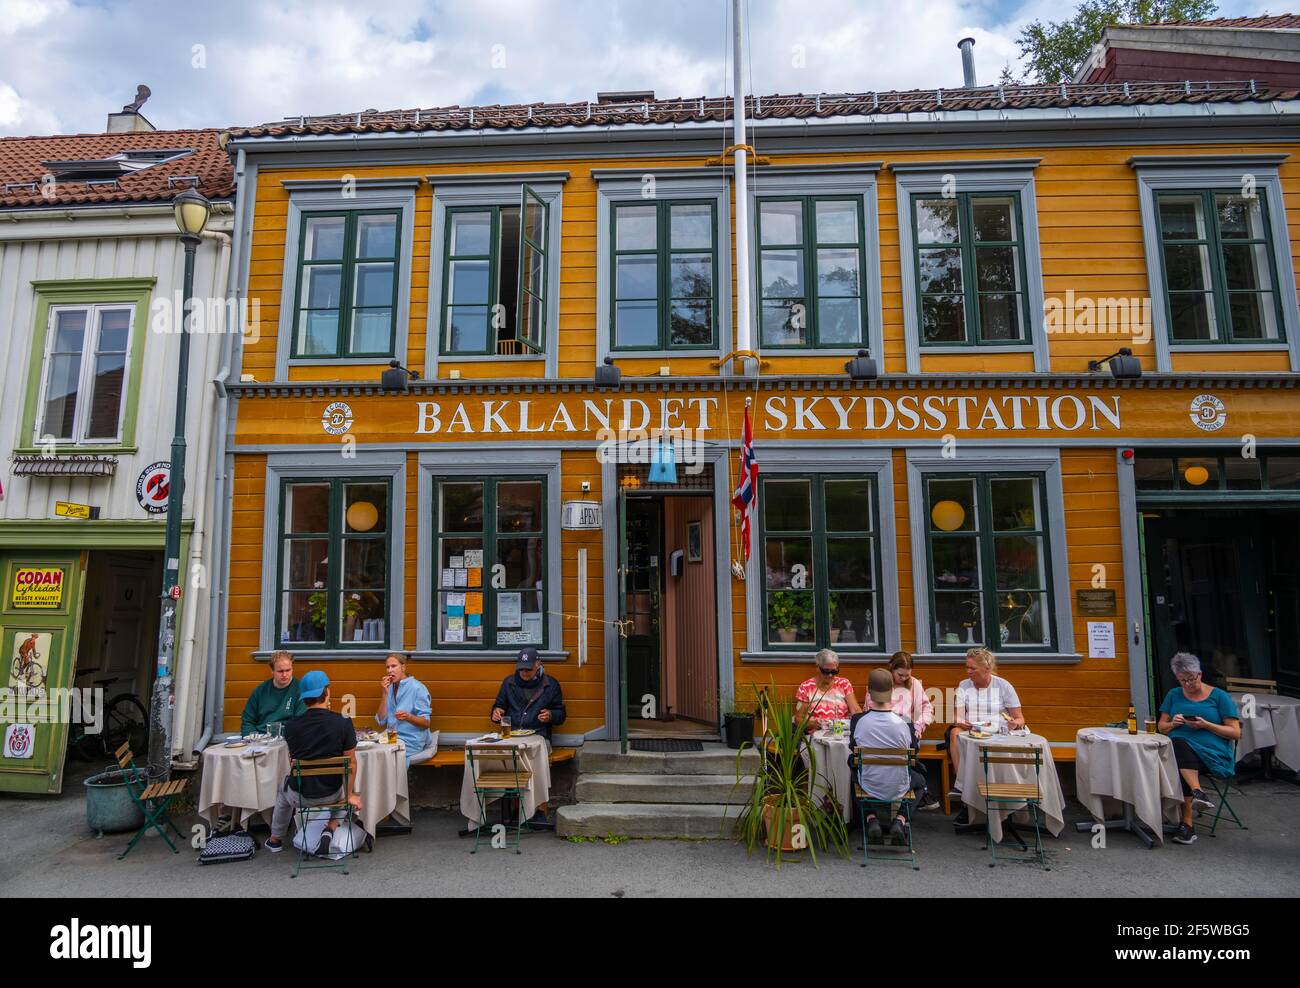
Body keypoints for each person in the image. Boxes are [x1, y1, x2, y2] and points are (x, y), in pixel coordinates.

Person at [265, 670, 365, 856]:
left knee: (283, 787)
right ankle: (332, 827)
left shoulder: (291, 726)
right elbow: (351, 763)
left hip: (300, 797)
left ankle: (275, 839)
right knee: (347, 793)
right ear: (327, 692)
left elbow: (293, 763)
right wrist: (350, 794)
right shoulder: (343, 722)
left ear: (304, 699)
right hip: (332, 794)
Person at [1158, 652, 1242, 845]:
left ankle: (1187, 823)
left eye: (1190, 679)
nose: (1187, 684)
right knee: (1178, 746)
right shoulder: (1173, 695)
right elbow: (1161, 727)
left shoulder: (1219, 697)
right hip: (1181, 755)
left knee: (1178, 753)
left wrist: (1206, 725)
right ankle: (1198, 794)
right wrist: (1173, 724)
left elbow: (1235, 733)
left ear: (1200, 674)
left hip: (1212, 756)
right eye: (1182, 681)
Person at [850, 669, 927, 846]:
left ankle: (871, 819)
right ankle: (900, 820)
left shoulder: (857, 721)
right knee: (921, 782)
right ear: (892, 690)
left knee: (853, 772)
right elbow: (913, 750)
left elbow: (852, 748)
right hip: (899, 784)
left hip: (868, 783)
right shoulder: (905, 722)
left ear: (869, 691)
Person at [490, 648, 565, 829]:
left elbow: (561, 714)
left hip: (539, 735)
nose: (523, 673)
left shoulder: (550, 684)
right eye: (521, 669)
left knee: (534, 760)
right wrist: (495, 712)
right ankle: (513, 809)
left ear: (538, 665)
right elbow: (499, 706)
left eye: (528, 670)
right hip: (512, 735)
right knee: (505, 760)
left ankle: (538, 810)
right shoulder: (509, 683)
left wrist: (550, 715)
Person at [944, 647, 1025, 800]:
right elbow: (956, 716)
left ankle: (1002, 787)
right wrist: (961, 722)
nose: (968, 671)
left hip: (998, 731)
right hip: (973, 730)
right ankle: (961, 785)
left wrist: (1014, 723)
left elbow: (1020, 718)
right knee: (954, 732)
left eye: (972, 668)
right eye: (967, 667)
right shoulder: (964, 685)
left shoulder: (1003, 686)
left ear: (986, 668)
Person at [887, 650, 940, 810]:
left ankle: (910, 798)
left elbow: (927, 709)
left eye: (907, 675)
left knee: (907, 750)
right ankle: (922, 791)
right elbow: (870, 709)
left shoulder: (914, 684)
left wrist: (918, 727)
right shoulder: (882, 683)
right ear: (891, 668)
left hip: (909, 731)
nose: (903, 679)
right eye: (900, 675)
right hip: (886, 731)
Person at [375, 652, 436, 765]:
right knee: (371, 751)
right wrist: (384, 694)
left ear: (403, 667)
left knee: (384, 756)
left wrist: (409, 717)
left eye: (394, 666)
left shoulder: (417, 688)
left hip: (411, 741)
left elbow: (426, 723)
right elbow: (380, 720)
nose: (389, 670)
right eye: (387, 667)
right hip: (391, 737)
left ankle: (393, 782)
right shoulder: (390, 688)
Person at [794, 649, 861, 732]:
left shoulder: (844, 684)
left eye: (834, 671)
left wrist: (854, 720)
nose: (830, 675)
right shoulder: (806, 687)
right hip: (816, 734)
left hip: (841, 732)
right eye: (826, 671)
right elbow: (798, 719)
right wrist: (814, 723)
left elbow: (856, 710)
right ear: (818, 668)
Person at [240, 651, 305, 734]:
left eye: (288, 670)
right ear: (272, 671)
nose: (285, 675)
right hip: (260, 738)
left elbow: (300, 723)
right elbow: (247, 721)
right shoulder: (260, 691)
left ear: (292, 669)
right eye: (280, 671)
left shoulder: (300, 690)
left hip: (286, 738)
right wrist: (251, 738)